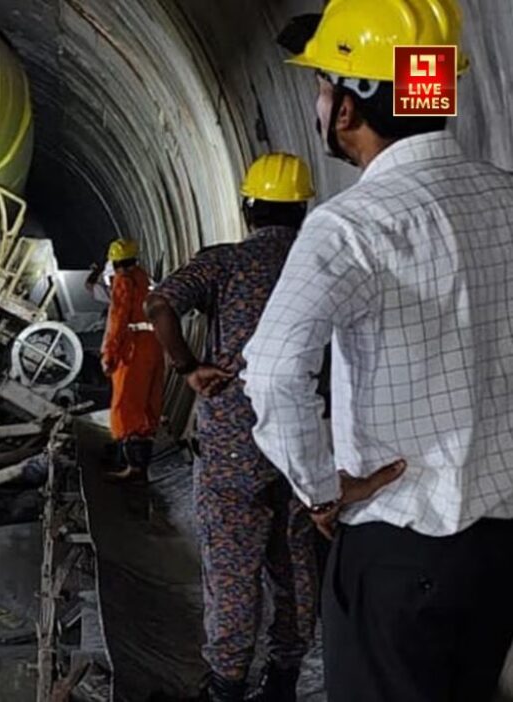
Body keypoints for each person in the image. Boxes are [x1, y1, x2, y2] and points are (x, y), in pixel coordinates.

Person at [242, 1, 513, 700]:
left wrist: (320, 488)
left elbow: (272, 371)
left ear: (346, 107)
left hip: (400, 548)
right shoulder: (505, 200)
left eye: (321, 86)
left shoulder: (350, 227)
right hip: (499, 551)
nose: (318, 104)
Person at [145, 153, 318, 702]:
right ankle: (283, 680)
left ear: (248, 208)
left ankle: (227, 684)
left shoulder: (225, 263)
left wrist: (188, 368)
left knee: (232, 568)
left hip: (233, 445)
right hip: (304, 442)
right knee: (295, 565)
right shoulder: (320, 262)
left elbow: (160, 303)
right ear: (302, 210)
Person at [99, 238, 164, 481]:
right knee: (148, 405)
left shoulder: (123, 282)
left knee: (126, 404)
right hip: (154, 344)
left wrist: (109, 354)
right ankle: (141, 464)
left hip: (133, 347)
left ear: (115, 263)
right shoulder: (145, 279)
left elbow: (117, 319)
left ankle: (132, 466)